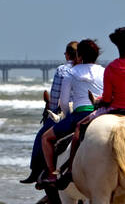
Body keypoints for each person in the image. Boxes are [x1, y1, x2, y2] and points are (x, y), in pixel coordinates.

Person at [41, 27, 125, 188]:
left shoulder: (112, 68)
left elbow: (106, 98)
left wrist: (99, 101)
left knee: (78, 129)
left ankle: (69, 171)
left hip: (112, 109)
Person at [34, 39, 104, 186]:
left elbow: (64, 101)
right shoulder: (104, 71)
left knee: (46, 138)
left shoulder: (71, 73)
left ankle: (53, 174)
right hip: (101, 115)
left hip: (80, 115)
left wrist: (66, 115)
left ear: (79, 55)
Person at [20, 41, 83, 184]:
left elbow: (54, 97)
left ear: (67, 55)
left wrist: (52, 107)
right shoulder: (90, 69)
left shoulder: (62, 70)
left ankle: (40, 171)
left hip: (67, 113)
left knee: (42, 137)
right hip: (89, 111)